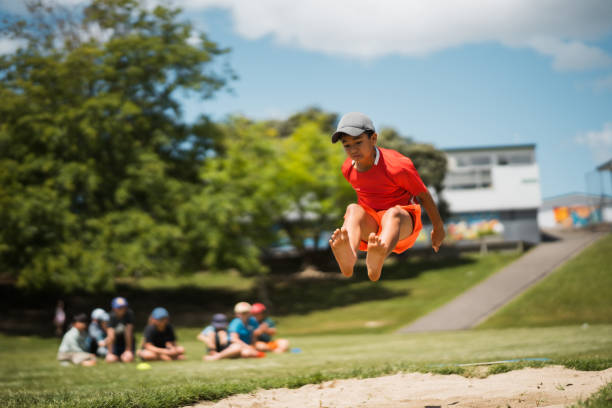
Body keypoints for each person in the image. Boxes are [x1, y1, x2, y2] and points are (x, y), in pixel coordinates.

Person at [329, 112, 445, 281]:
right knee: (352, 209)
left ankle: (378, 258)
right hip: (373, 226)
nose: (353, 150)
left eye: (358, 142)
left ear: (373, 139)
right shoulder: (348, 168)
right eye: (347, 145)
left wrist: (438, 227)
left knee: (393, 214)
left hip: (402, 224)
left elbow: (424, 196)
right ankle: (349, 257)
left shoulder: (397, 166)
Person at [106, 297, 135, 363]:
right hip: (115, 343)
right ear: (114, 308)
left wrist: (128, 350)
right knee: (111, 360)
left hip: (126, 342)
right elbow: (110, 336)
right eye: (120, 308)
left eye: (124, 307)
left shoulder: (129, 314)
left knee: (128, 359)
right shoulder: (111, 316)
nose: (123, 309)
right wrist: (110, 353)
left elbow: (129, 333)